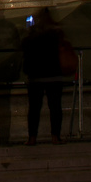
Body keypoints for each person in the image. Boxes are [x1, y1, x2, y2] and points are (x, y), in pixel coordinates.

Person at [21, 9, 71, 144]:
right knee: (55, 107)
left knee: (34, 108)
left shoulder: (31, 35)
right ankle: (55, 136)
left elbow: (24, 49)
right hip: (53, 74)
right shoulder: (55, 33)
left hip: (36, 75)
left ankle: (32, 137)